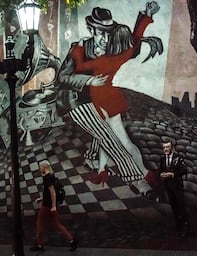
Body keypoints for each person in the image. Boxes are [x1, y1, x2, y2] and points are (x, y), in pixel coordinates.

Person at [56, 2, 161, 193]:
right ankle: (136, 178)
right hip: (76, 100)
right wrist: (89, 81)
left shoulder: (112, 53)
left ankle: (109, 168)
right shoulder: (79, 49)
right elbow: (63, 77)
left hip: (105, 100)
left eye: (108, 33)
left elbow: (134, 46)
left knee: (112, 137)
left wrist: (146, 16)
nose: (105, 38)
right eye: (100, 32)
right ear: (90, 29)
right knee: (108, 137)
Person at [30, 160, 78, 251]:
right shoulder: (52, 176)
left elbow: (52, 191)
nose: (39, 169)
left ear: (44, 167)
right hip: (50, 204)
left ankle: (39, 245)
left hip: (47, 206)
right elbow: (48, 192)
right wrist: (41, 199)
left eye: (40, 167)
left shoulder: (47, 177)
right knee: (57, 224)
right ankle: (72, 240)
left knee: (40, 224)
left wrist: (53, 206)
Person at [159, 141, 189, 237]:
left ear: (171, 148)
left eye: (168, 147)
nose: (166, 149)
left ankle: (185, 227)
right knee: (174, 206)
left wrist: (172, 174)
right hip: (168, 186)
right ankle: (178, 225)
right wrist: (161, 174)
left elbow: (184, 170)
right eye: (164, 147)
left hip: (177, 185)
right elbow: (160, 169)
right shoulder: (163, 158)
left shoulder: (178, 158)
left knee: (181, 206)